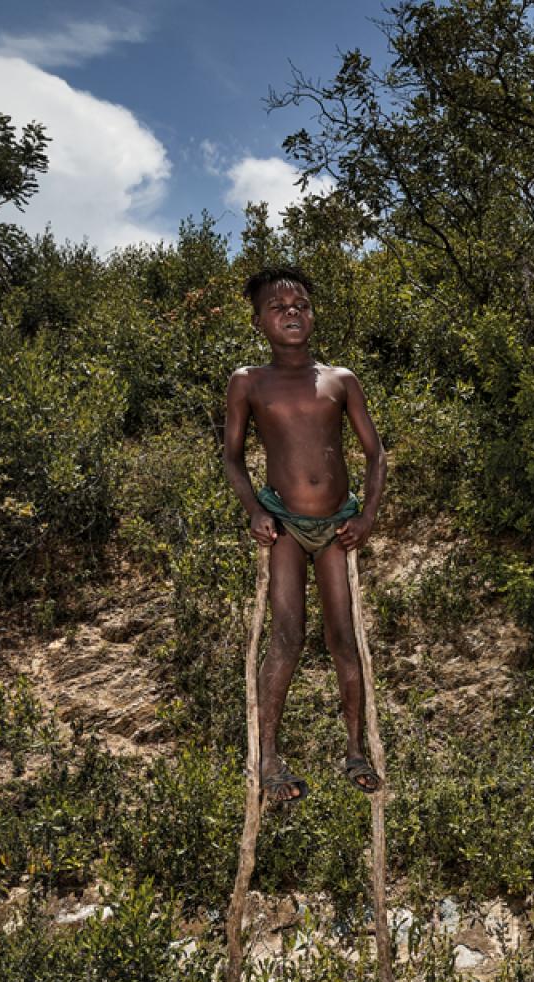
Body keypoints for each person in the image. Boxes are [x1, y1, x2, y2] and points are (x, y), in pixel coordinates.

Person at [220, 267, 387, 803]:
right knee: (287, 635)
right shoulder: (249, 381)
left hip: (339, 526)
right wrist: (253, 510)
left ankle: (355, 750)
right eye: (278, 306)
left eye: (302, 304)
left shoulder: (340, 379)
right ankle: (268, 758)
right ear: (258, 321)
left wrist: (366, 517)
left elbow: (375, 453)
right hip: (286, 524)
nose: (292, 312)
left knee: (345, 638)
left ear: (313, 315)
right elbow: (232, 455)